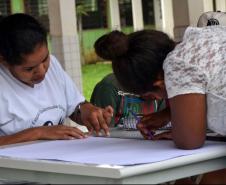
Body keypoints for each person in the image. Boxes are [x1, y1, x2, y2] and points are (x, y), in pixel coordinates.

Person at [94, 16, 226, 184]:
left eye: (150, 96)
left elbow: (189, 141)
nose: (155, 100)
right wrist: (169, 114)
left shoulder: (176, 65)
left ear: (160, 83)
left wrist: (182, 130)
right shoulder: (201, 38)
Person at [0, 13, 113, 146]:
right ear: (4, 61)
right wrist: (38, 133)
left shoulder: (53, 64)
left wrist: (88, 112)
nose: (42, 71)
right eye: (29, 69)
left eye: (45, 59)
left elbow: (75, 107)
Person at [90, 73, 170, 132]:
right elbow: (102, 133)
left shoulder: (163, 89)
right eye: (154, 91)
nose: (159, 98)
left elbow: (161, 128)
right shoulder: (109, 88)